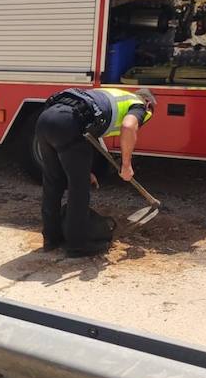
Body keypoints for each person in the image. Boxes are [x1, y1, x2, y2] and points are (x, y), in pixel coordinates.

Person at [34, 86, 155, 256]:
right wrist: (126, 165)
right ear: (148, 102)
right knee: (79, 187)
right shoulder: (139, 105)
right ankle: (77, 245)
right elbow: (129, 127)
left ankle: (51, 239)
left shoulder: (111, 95)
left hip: (45, 119)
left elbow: (91, 131)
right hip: (69, 123)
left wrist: (87, 169)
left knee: (52, 181)